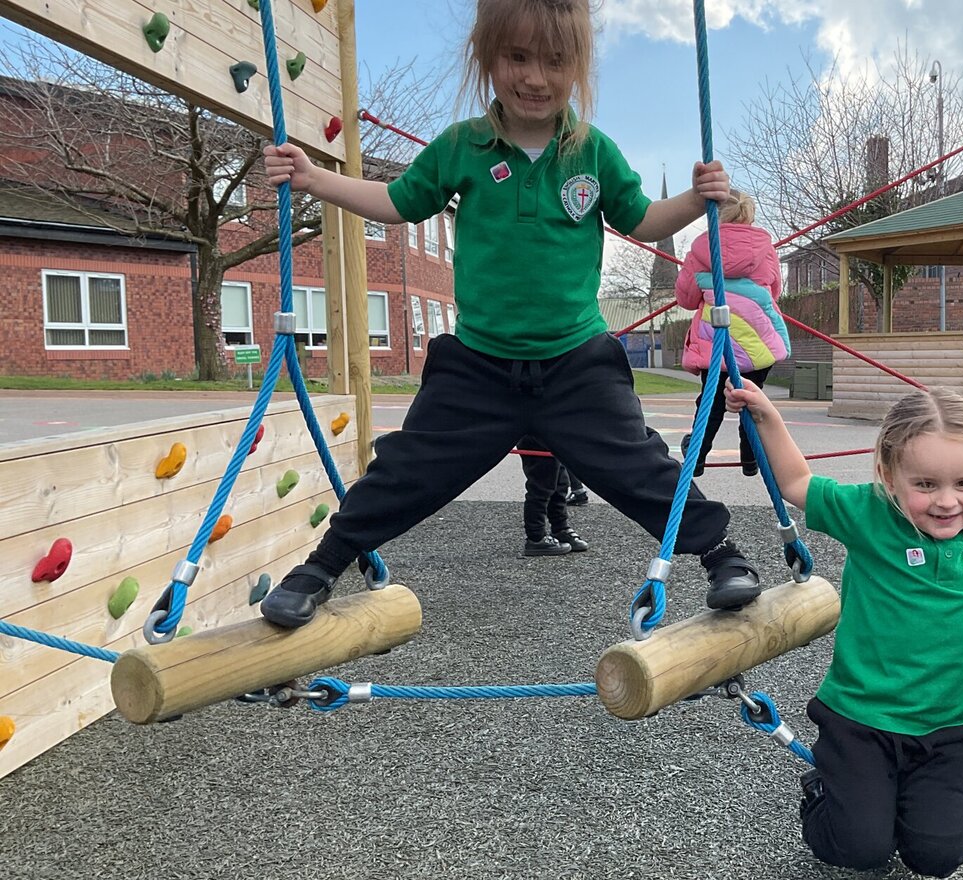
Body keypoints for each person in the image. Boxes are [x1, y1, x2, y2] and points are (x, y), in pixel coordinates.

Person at [257, 0, 765, 627]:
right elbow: (396, 202)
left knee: (640, 465)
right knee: (408, 466)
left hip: (576, 361)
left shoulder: (591, 151)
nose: (534, 77)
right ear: (487, 58)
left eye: (554, 62)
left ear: (576, 67)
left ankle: (722, 554)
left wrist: (695, 198)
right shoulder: (463, 147)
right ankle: (322, 566)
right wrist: (315, 179)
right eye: (516, 58)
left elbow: (640, 219)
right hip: (480, 364)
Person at [725, 380, 963, 877]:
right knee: (861, 850)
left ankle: (893, 809)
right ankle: (822, 795)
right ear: (890, 476)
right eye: (926, 485)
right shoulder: (869, 513)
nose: (947, 501)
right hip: (860, 720)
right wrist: (767, 418)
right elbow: (798, 484)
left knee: (937, 856)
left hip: (949, 725)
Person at [675, 188, 790, 476]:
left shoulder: (701, 251)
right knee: (752, 395)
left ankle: (697, 457)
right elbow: (774, 291)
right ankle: (751, 456)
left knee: (710, 400)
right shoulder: (765, 249)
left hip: (719, 339)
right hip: (757, 341)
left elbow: (686, 299)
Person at [516, 436, 588, 556]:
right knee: (541, 485)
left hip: (552, 433)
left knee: (560, 482)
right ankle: (536, 538)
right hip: (536, 434)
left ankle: (560, 528)